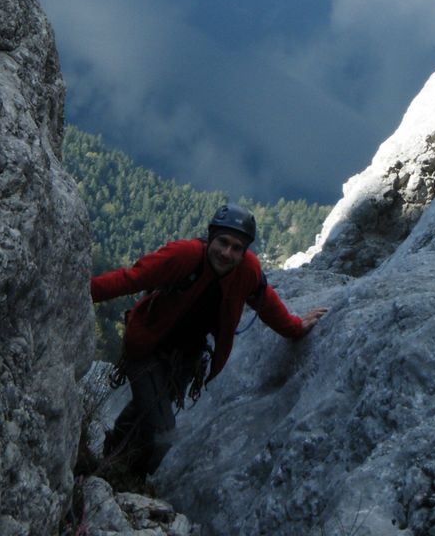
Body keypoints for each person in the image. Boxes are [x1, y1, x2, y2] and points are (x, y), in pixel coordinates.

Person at [90, 203, 327, 479]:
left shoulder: (247, 272)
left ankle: (108, 463)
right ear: (211, 237)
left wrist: (296, 329)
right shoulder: (183, 255)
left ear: (245, 251)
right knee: (163, 431)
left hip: (184, 360)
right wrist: (81, 291)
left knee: (145, 412)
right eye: (223, 242)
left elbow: (267, 305)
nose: (227, 253)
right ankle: (129, 481)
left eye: (236, 248)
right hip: (147, 349)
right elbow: (130, 279)